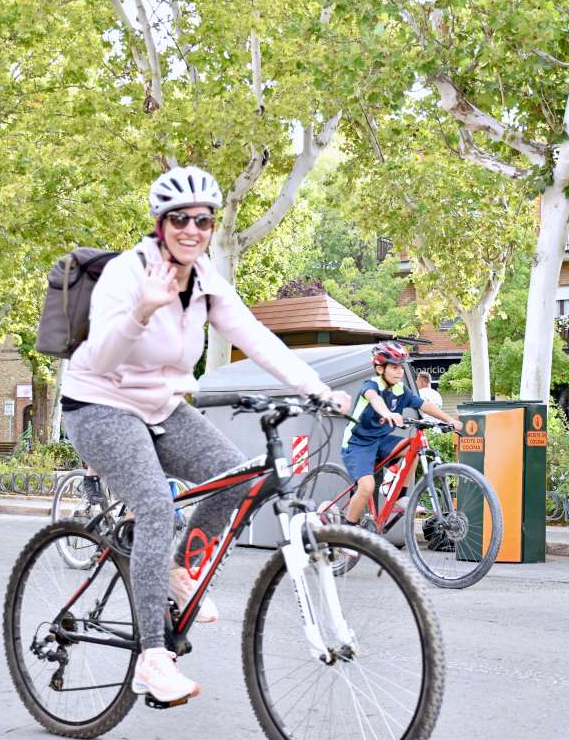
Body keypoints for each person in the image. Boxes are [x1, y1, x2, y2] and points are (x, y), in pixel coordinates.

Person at [60, 165, 351, 704]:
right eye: (180, 219)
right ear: (159, 223)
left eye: (204, 220)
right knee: (152, 508)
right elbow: (99, 359)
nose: (193, 229)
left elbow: (258, 339)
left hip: (162, 405)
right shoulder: (128, 274)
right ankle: (152, 658)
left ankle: (180, 569)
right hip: (98, 404)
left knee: (237, 479)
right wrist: (143, 311)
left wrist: (317, 387)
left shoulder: (205, 282)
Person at [340, 341, 462, 527]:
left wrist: (449, 419)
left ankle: (400, 497)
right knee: (367, 487)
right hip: (357, 444)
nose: (399, 371)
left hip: (381, 441)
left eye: (401, 367)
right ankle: (348, 530)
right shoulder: (371, 386)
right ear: (380, 368)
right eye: (394, 367)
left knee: (414, 446)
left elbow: (423, 405)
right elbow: (375, 400)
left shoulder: (400, 390)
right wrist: (388, 413)